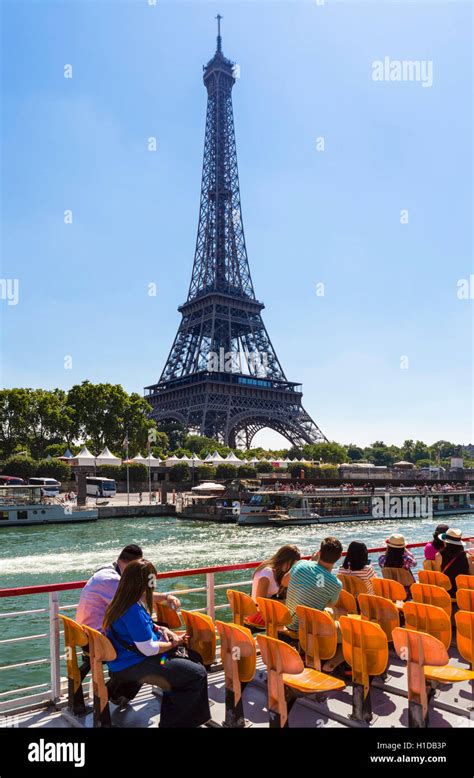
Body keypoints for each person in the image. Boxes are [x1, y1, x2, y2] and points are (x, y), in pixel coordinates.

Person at [103, 559, 211, 728]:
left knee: (192, 660)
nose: (154, 584)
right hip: (135, 664)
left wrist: (162, 630)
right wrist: (173, 645)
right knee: (196, 674)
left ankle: (178, 714)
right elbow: (149, 648)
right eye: (152, 580)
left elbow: (143, 627)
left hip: (123, 661)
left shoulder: (122, 601)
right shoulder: (133, 609)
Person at [76, 544, 181, 705]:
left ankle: (120, 690)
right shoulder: (113, 580)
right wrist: (164, 634)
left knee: (149, 634)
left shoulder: (105, 572)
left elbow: (137, 599)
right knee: (148, 646)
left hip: (90, 634)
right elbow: (139, 599)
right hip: (99, 639)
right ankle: (122, 690)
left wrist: (165, 598)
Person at [285, 537, 344, 671]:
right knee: (352, 634)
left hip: (289, 620)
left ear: (319, 552)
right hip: (309, 626)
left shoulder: (300, 564)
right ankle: (329, 665)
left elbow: (284, 582)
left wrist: (311, 563)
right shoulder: (335, 584)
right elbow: (329, 603)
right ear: (338, 557)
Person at [246, 545, 301, 626]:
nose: (292, 568)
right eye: (293, 564)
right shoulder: (267, 572)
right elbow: (259, 600)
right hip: (259, 615)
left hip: (262, 613)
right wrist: (283, 602)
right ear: (286, 560)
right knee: (298, 620)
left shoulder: (274, 571)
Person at [434, 528, 469, 595]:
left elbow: (438, 576)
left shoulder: (439, 556)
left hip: (447, 592)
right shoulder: (467, 556)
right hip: (464, 592)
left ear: (445, 541)